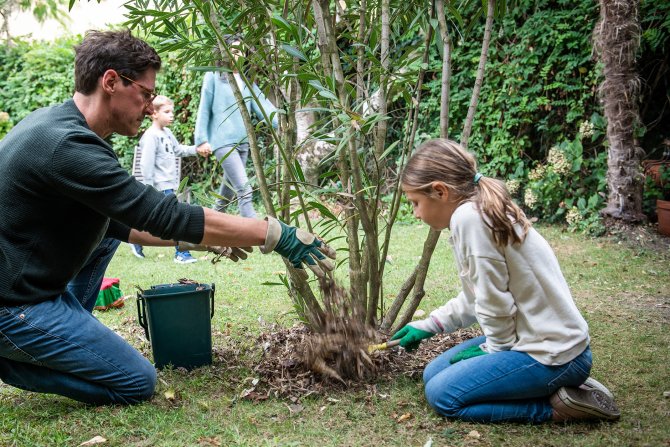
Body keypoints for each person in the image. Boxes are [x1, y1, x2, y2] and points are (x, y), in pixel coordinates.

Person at [0, 29, 335, 406]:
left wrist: (206, 237)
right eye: (145, 94)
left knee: (104, 231)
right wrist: (275, 234)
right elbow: (160, 213)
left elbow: (123, 224)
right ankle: (13, 360)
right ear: (111, 81)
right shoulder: (67, 147)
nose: (149, 105)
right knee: (135, 381)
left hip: (29, 287)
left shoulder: (64, 128)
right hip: (13, 305)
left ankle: (72, 328)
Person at [390, 139, 620, 424]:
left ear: (440, 191)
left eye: (415, 202)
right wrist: (427, 326)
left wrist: (492, 352)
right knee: (432, 373)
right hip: (537, 341)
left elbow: (493, 303)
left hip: (553, 353)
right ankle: (560, 387)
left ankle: (559, 407)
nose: (415, 213)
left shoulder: (469, 219)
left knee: (442, 395)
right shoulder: (478, 208)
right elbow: (477, 296)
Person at [194, 35, 278, 218]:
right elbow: (204, 109)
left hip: (243, 142)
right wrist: (201, 140)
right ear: (223, 52)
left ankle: (209, 230)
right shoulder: (214, 76)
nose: (237, 54)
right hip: (223, 142)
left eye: (241, 50)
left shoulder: (246, 80)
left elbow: (263, 105)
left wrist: (281, 122)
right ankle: (255, 234)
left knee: (227, 194)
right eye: (233, 50)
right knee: (244, 189)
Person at [131, 94, 212, 263]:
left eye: (172, 111)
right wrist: (148, 188)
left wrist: (196, 149)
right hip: (159, 187)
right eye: (167, 112)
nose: (171, 115)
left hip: (170, 184)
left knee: (156, 220)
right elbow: (146, 165)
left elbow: (178, 150)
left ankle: (135, 239)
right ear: (154, 114)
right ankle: (181, 254)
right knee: (174, 219)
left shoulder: (167, 133)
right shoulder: (150, 136)